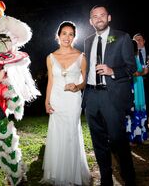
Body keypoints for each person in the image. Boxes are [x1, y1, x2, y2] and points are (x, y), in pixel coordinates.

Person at [82, 5, 136, 186]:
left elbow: (131, 68)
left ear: (109, 17)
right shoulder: (88, 40)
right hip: (91, 96)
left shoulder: (122, 37)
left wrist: (113, 70)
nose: (99, 19)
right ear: (90, 21)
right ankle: (106, 179)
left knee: (118, 141)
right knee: (98, 142)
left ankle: (129, 179)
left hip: (111, 97)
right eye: (95, 16)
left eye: (102, 15)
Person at [41, 21, 91, 185]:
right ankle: (57, 170)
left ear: (74, 37)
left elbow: (85, 81)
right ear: (58, 35)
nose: (67, 37)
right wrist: (47, 101)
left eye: (71, 34)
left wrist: (77, 87)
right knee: (57, 134)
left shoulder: (81, 56)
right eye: (64, 33)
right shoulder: (50, 57)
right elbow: (50, 81)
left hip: (72, 100)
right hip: (56, 99)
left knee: (70, 134)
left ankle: (71, 174)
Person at [125, 40, 148, 145]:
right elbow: (135, 72)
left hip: (138, 85)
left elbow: (141, 72)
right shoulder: (129, 59)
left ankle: (137, 135)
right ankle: (132, 136)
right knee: (132, 109)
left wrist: (141, 72)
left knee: (137, 109)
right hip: (133, 85)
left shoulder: (135, 58)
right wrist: (141, 72)